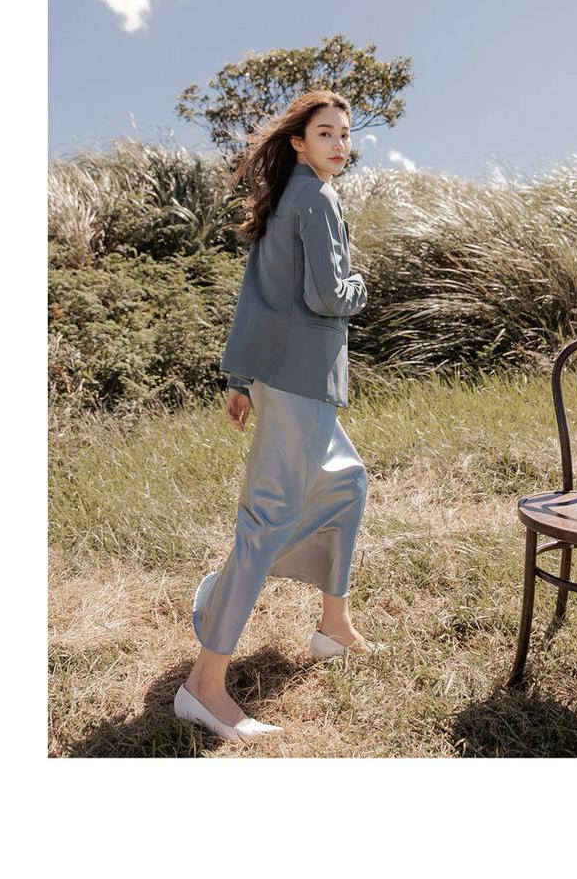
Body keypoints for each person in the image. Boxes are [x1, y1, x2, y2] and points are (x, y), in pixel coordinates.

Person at [174, 90, 382, 743]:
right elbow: (328, 295)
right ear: (299, 142)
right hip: (299, 381)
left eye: (344, 134)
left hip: (287, 377)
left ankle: (333, 628)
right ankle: (203, 685)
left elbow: (257, 296)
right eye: (326, 133)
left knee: (346, 483)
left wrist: (242, 378)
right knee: (267, 520)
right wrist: (362, 286)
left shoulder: (291, 196)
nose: (340, 145)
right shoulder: (316, 199)